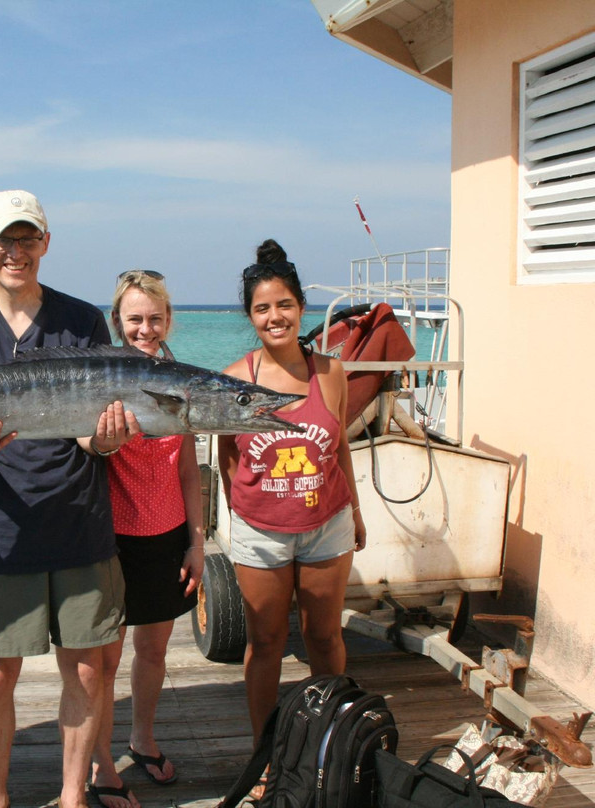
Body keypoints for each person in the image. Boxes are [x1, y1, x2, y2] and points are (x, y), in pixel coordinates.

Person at [0, 190, 137, 808]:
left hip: (77, 520)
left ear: (46, 243)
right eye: (3, 240)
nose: (16, 252)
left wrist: (103, 441)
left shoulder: (81, 319)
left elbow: (96, 433)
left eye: (28, 239)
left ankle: (72, 796)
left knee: (89, 668)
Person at [217, 239, 367, 800]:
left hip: (327, 524)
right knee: (266, 643)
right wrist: (245, 515)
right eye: (261, 308)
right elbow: (227, 455)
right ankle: (265, 757)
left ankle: (330, 747)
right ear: (250, 317)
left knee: (326, 638)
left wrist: (354, 510)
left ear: (300, 308)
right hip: (261, 534)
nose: (274, 317)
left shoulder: (331, 372)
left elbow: (341, 445)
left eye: (283, 305)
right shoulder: (235, 378)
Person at [88, 270, 205, 808]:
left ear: (168, 320)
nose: (145, 328)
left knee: (153, 651)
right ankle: (101, 762)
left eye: (155, 318)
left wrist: (196, 541)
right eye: (134, 318)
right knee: (104, 662)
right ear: (118, 321)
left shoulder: (185, 381)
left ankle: (142, 738)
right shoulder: (99, 374)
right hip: (112, 536)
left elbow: (188, 468)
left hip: (167, 533)